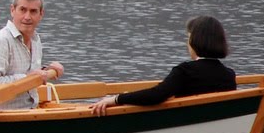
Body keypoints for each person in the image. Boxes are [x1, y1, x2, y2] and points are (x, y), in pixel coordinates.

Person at [90, 15, 237, 116]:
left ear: (195, 41)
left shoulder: (186, 71)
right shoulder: (229, 75)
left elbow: (157, 95)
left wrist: (116, 99)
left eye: (188, 38)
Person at [0, 0, 65, 110]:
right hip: (4, 119)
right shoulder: (1, 41)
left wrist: (47, 70)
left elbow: (29, 72)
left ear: (41, 14)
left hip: (30, 113)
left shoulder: (36, 40)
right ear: (12, 10)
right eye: (23, 10)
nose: (27, 17)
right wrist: (27, 78)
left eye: (33, 11)